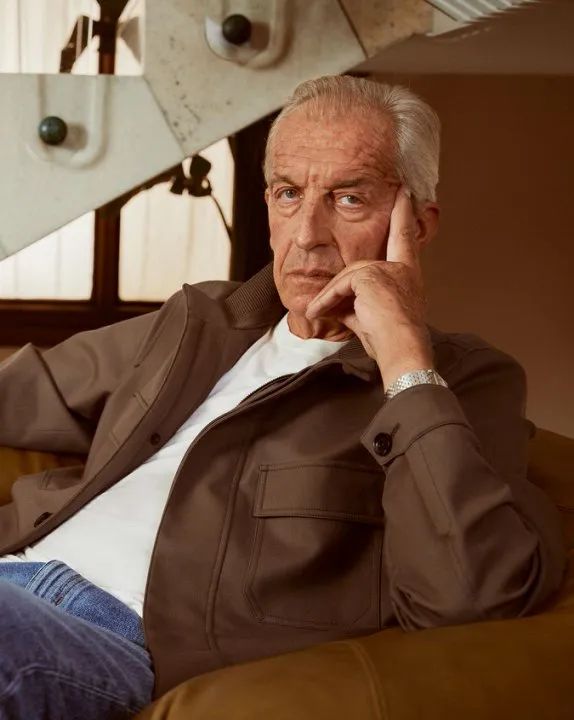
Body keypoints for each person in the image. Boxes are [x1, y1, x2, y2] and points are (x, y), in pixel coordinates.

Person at [0, 75, 566, 719]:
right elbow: (22, 391)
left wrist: (404, 356)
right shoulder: (202, 320)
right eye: (289, 194)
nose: (306, 235)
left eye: (349, 198)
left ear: (416, 225)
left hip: (109, 636)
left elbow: (472, 595)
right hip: (16, 574)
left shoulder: (463, 381)